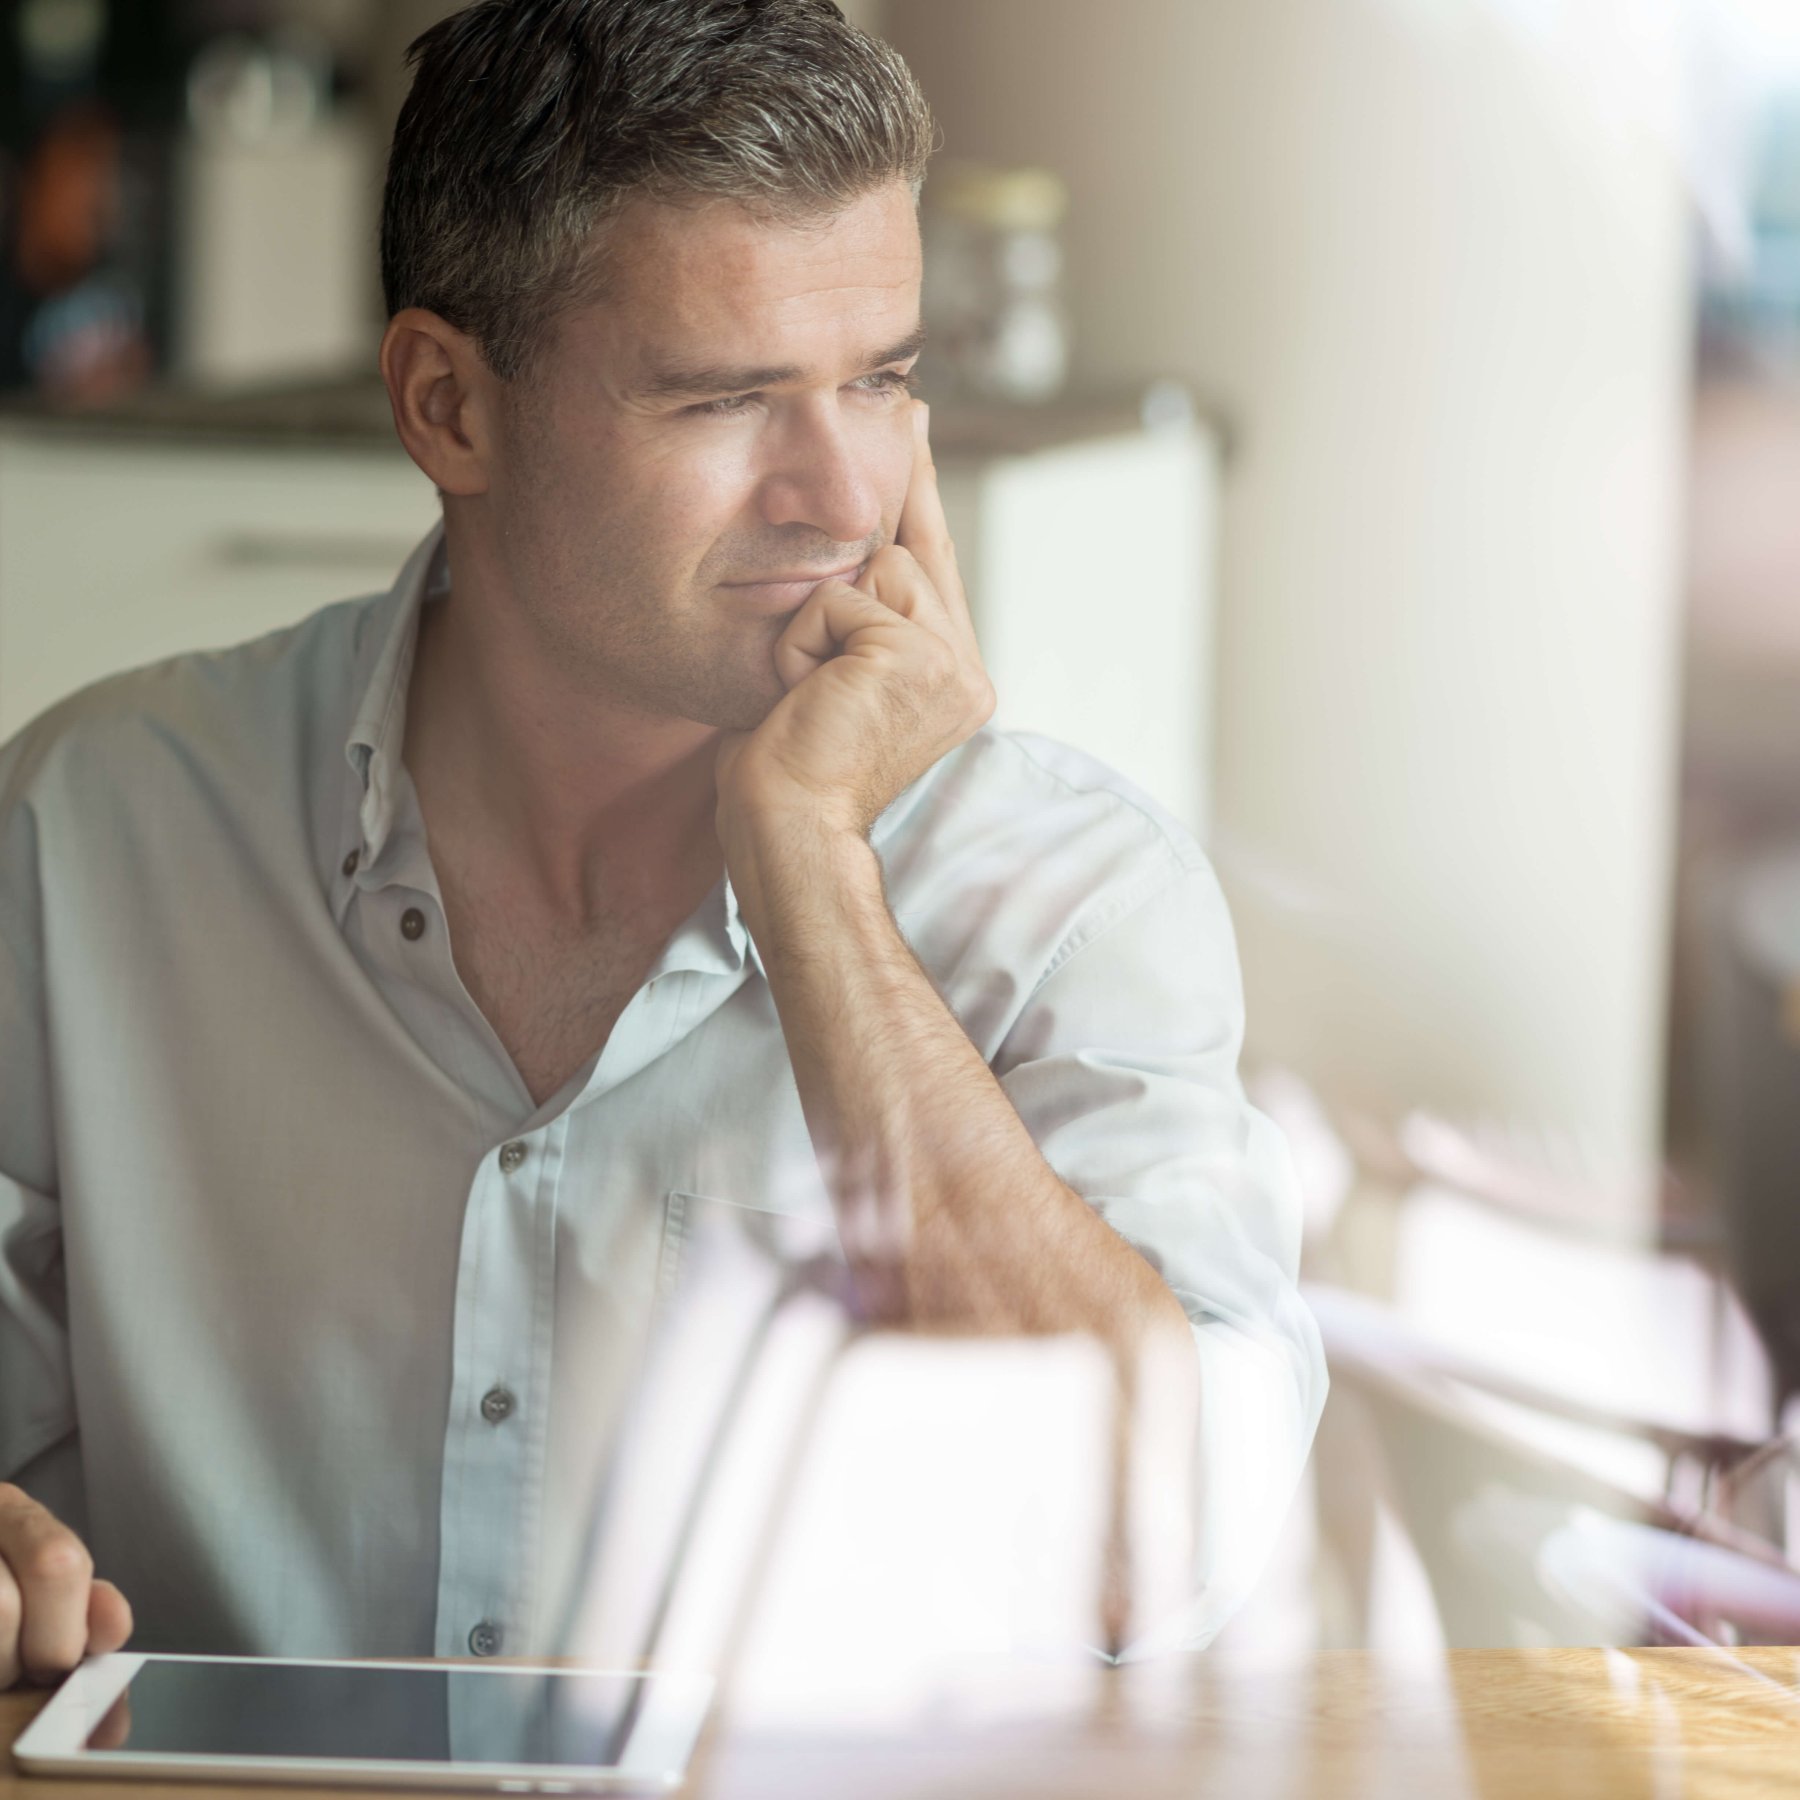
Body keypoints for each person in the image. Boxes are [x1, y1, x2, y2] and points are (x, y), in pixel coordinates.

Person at [0, 0, 1324, 1690]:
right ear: (446, 406)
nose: (842, 495)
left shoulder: (1068, 896)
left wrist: (816, 874)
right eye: (726, 400)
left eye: (885, 379)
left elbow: (1152, 1549)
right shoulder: (88, 831)